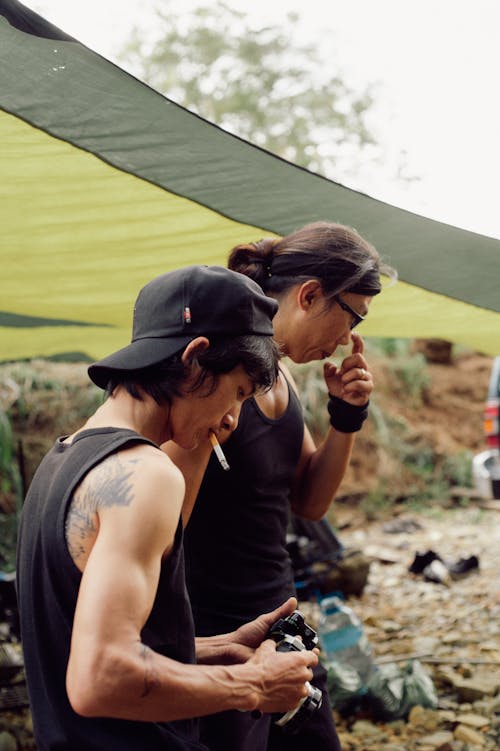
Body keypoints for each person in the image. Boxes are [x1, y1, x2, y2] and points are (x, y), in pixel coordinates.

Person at [16, 265, 319, 751]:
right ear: (196, 358)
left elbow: (82, 646)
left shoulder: (64, 458)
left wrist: (219, 650)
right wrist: (255, 685)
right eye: (238, 393)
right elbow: (100, 678)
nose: (232, 420)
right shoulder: (147, 474)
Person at [165, 222, 396, 751]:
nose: (346, 339)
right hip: (216, 632)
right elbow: (164, 524)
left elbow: (310, 504)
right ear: (310, 295)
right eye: (351, 316)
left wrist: (347, 417)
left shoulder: (283, 379)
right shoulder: (222, 375)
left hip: (281, 621)